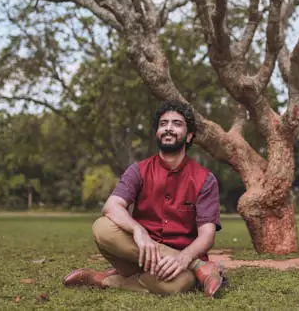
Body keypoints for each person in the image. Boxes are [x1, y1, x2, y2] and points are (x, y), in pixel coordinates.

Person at [63, 100, 226, 297]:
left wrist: (184, 258)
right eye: (163, 124)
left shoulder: (205, 179)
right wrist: (138, 230)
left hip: (178, 266)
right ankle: (201, 268)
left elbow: (207, 235)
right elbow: (112, 205)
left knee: (179, 284)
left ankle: (99, 279)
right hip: (137, 255)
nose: (168, 128)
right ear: (157, 132)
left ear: (189, 135)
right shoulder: (138, 170)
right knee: (101, 227)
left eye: (177, 123)